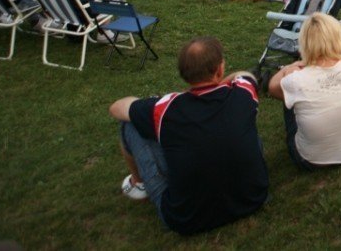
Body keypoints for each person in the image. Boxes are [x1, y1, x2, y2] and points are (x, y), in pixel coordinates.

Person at [109, 37, 269, 235]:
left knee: (129, 125)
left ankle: (138, 183)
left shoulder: (166, 108)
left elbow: (116, 108)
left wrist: (141, 103)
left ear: (185, 75)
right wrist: (223, 82)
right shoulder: (242, 93)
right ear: (220, 70)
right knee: (242, 124)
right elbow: (246, 75)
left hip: (186, 218)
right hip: (252, 198)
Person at [267, 13, 341, 170]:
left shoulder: (296, 80)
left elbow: (272, 87)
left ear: (305, 43)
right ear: (338, 36)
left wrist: (291, 67)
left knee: (289, 96)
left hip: (312, 160)